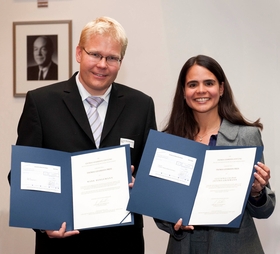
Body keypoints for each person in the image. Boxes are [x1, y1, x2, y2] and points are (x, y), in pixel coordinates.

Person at [10, 16, 157, 253]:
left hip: (122, 243)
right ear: (79, 53)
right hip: (63, 243)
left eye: (112, 58)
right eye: (95, 54)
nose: (102, 64)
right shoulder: (41, 102)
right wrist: (43, 222)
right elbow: (21, 176)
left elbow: (151, 175)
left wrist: (139, 185)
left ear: (121, 62)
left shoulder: (141, 105)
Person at [155, 55, 275, 254]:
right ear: (184, 92)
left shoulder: (246, 136)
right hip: (185, 246)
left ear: (221, 88)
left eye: (208, 83)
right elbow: (161, 209)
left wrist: (257, 192)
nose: (201, 90)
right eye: (192, 84)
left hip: (236, 247)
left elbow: (265, 209)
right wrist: (172, 222)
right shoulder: (169, 141)